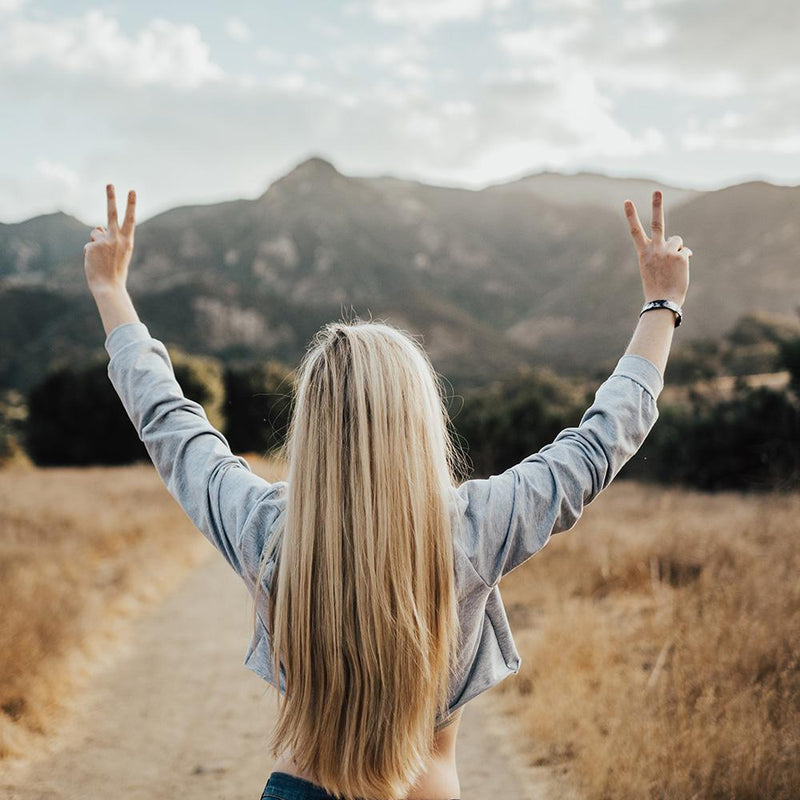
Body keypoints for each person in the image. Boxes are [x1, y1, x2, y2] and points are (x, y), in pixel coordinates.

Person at [83, 185, 690, 800]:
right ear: (421, 423)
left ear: (310, 427)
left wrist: (111, 292)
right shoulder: (472, 527)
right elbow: (600, 442)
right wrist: (660, 305)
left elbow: (170, 424)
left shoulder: (266, 530)